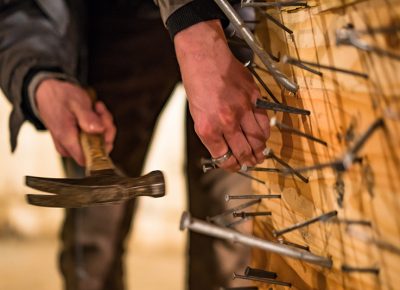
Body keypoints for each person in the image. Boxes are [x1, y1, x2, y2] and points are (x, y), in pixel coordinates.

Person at [0, 0, 269, 289]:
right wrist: (38, 77)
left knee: (232, 237)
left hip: (228, 14)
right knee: (93, 252)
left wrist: (194, 22)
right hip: (110, 23)